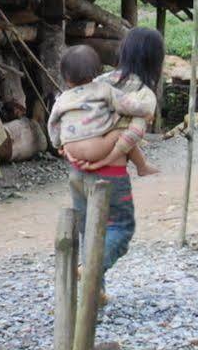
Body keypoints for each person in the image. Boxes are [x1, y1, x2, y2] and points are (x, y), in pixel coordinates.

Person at [64, 26, 166, 289]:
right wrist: (105, 158)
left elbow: (72, 112)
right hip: (110, 175)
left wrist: (66, 147)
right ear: (155, 60)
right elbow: (130, 136)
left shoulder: (100, 81)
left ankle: (94, 292)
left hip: (76, 169)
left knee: (91, 231)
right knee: (120, 229)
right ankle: (90, 270)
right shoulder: (144, 95)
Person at [47, 44, 159, 177]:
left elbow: (52, 123)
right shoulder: (104, 88)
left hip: (71, 148)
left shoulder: (62, 98)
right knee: (123, 128)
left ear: (65, 77)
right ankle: (142, 166)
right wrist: (146, 111)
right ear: (97, 71)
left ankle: (140, 166)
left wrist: (58, 144)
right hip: (97, 147)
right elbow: (127, 105)